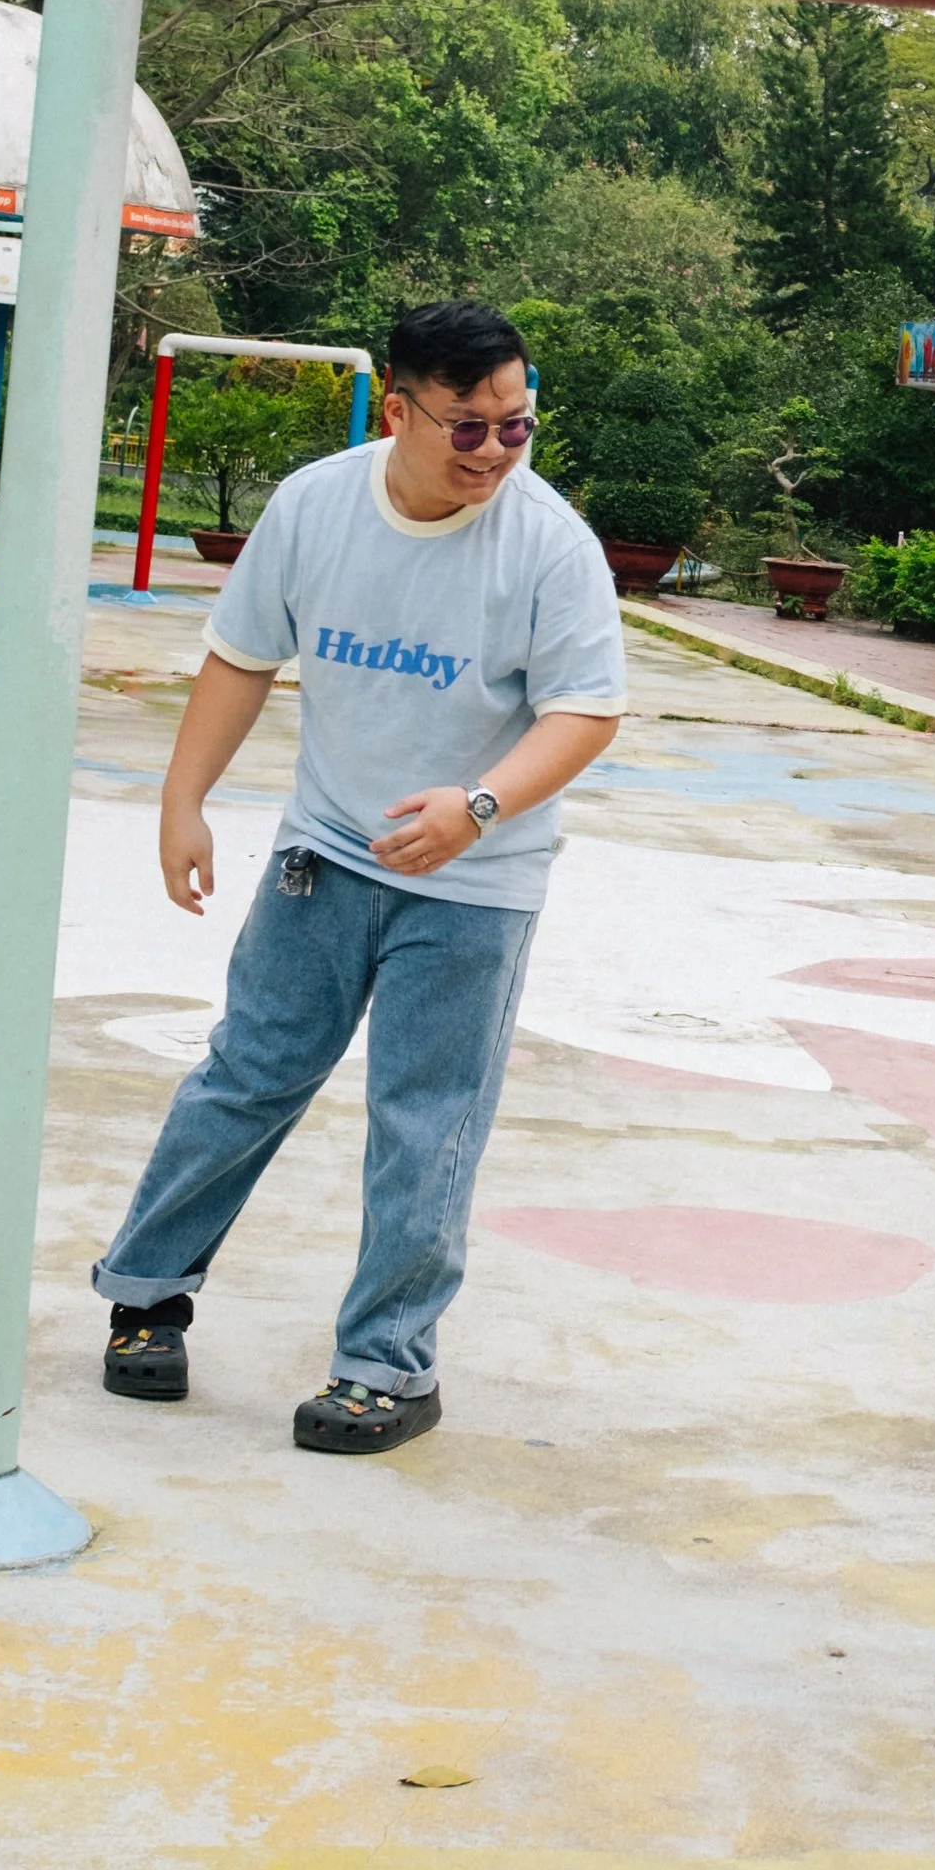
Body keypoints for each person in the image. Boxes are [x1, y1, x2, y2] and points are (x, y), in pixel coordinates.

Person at [94, 300, 626, 1453]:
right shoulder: (316, 504)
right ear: (400, 410)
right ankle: (145, 1297)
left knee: (425, 1122)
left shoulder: (548, 542)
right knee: (247, 1075)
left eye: (516, 426)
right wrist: (183, 803)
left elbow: (587, 711)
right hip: (322, 857)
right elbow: (241, 657)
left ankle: (388, 1367)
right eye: (467, 428)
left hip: (475, 885)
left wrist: (477, 806)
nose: (494, 452)